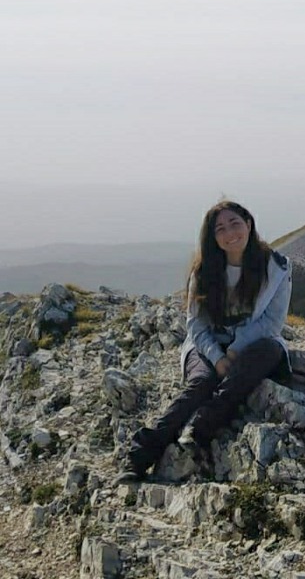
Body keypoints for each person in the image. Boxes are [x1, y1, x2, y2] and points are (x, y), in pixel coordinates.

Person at [115, 200, 292, 483]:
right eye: (220, 228)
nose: (230, 232)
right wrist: (217, 357)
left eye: (235, 223)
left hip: (253, 346)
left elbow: (272, 322)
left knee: (267, 352)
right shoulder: (204, 272)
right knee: (201, 382)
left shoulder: (277, 268)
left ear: (249, 224)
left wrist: (234, 351)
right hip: (207, 344)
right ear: (213, 238)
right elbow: (195, 325)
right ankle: (141, 455)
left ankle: (200, 428)